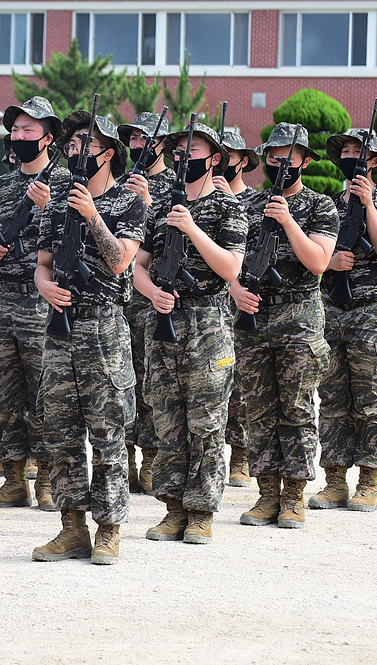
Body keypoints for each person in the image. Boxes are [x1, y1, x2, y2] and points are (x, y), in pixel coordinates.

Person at [33, 111, 144, 566]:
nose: (78, 150)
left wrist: (92, 214)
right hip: (60, 326)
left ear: (109, 152)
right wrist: (44, 286)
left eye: (87, 143)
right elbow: (41, 263)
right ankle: (72, 527)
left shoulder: (128, 202)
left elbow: (120, 262)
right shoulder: (57, 203)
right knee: (60, 431)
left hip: (104, 328)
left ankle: (110, 528)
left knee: (107, 431)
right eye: (73, 143)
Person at [134, 122, 246, 544]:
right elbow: (137, 265)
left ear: (214, 158)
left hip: (207, 324)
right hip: (162, 323)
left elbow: (231, 268)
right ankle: (173, 507)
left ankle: (201, 510)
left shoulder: (227, 208)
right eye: (178, 149)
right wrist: (152, 294)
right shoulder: (160, 203)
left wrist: (192, 228)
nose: (184, 156)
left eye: (193, 149)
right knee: (166, 417)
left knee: (206, 421)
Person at [231, 122, 338, 530]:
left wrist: (289, 221)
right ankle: (266, 494)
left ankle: (293, 496)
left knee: (295, 409)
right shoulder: (247, 205)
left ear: (305, 162)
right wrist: (236, 290)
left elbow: (318, 262)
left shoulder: (321, 206)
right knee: (257, 410)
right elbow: (229, 260)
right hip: (254, 318)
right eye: (273, 158)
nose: (279, 165)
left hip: (299, 319)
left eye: (288, 159)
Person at [0, 97, 67, 511]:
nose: (18, 137)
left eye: (28, 131)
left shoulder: (67, 184)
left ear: (48, 137)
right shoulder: (0, 187)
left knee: (46, 394)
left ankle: (48, 478)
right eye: (14, 131)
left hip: (43, 301)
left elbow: (79, 240)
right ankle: (13, 478)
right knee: (4, 395)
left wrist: (51, 209)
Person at [310, 128, 377, 513]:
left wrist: (368, 206)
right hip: (331, 310)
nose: (351, 156)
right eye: (346, 151)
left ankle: (369, 480)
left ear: (375, 161)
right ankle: (334, 480)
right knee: (331, 398)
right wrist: (329, 263)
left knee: (370, 400)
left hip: (372, 313)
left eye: (359, 151)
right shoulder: (327, 205)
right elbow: (313, 257)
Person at [118, 111, 174, 494]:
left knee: (155, 381)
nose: (138, 146)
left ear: (163, 144)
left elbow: (167, 238)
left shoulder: (177, 185)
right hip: (122, 301)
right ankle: (126, 458)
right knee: (123, 381)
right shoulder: (117, 184)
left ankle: (153, 457)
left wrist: (147, 203)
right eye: (133, 140)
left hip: (157, 302)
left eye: (145, 139)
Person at [212, 129, 262, 486]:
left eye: (228, 154)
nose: (221, 161)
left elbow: (255, 252)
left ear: (242, 161)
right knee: (214, 383)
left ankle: (241, 455)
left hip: (247, 305)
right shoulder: (199, 198)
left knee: (244, 385)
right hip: (214, 306)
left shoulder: (259, 203)